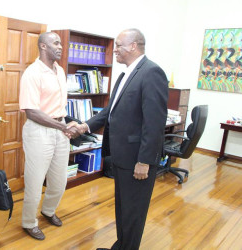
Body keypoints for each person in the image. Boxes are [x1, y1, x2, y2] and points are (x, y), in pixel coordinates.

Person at [69, 28, 168, 250]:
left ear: (133, 46)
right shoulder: (125, 74)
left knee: (134, 213)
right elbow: (109, 112)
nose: (115, 51)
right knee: (124, 208)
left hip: (137, 159)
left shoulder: (152, 72)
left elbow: (154, 123)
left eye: (119, 46)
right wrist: (85, 126)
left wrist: (144, 161)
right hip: (122, 156)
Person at [19, 32, 77, 240]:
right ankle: (28, 222)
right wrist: (63, 127)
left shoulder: (60, 70)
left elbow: (58, 106)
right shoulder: (32, 73)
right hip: (39, 130)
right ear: (43, 46)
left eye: (60, 43)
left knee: (59, 180)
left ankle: (48, 211)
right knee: (35, 182)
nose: (60, 46)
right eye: (55, 43)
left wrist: (67, 123)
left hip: (60, 128)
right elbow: (32, 111)